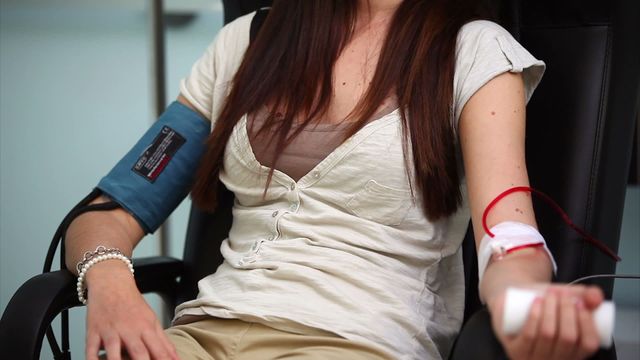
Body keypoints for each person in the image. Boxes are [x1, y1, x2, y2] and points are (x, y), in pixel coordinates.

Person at [64, 0, 605, 359]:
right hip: (204, 335)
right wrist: (110, 282)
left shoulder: (473, 52)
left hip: (357, 340)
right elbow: (110, 210)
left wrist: (523, 306)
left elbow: (509, 238)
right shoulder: (248, 43)